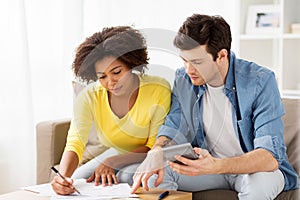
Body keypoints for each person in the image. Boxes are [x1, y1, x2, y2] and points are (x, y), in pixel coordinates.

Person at [131, 14, 299, 199]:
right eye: (184, 60)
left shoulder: (260, 81)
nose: (189, 70)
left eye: (197, 62)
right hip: (208, 167)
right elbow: (173, 126)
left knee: (257, 188)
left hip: (253, 171)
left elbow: (270, 157)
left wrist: (217, 165)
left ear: (221, 56)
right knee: (153, 175)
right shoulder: (183, 78)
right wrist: (157, 151)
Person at [51, 26, 171, 195]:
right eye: (102, 77)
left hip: (148, 155)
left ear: (131, 64)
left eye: (117, 72)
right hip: (116, 150)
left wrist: (112, 161)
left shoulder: (158, 89)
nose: (111, 82)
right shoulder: (89, 97)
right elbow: (76, 141)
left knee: (126, 176)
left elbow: (153, 146)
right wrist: (62, 177)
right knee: (76, 182)